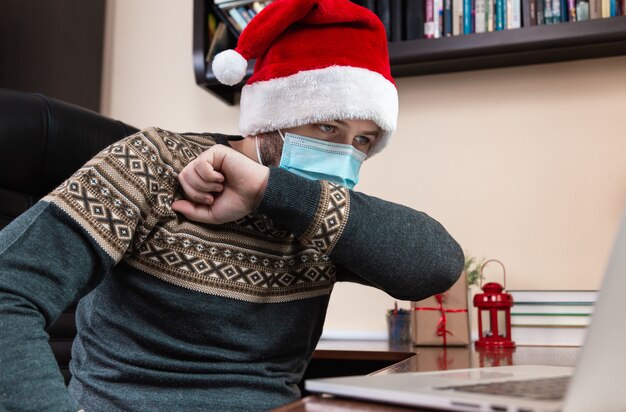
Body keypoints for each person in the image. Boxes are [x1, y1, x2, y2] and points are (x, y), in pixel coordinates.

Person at [0, 0, 464, 411]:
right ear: (273, 118)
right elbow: (8, 290)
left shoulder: (316, 208)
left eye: (363, 140)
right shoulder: (153, 162)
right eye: (327, 128)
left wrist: (270, 192)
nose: (345, 154)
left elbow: (437, 268)